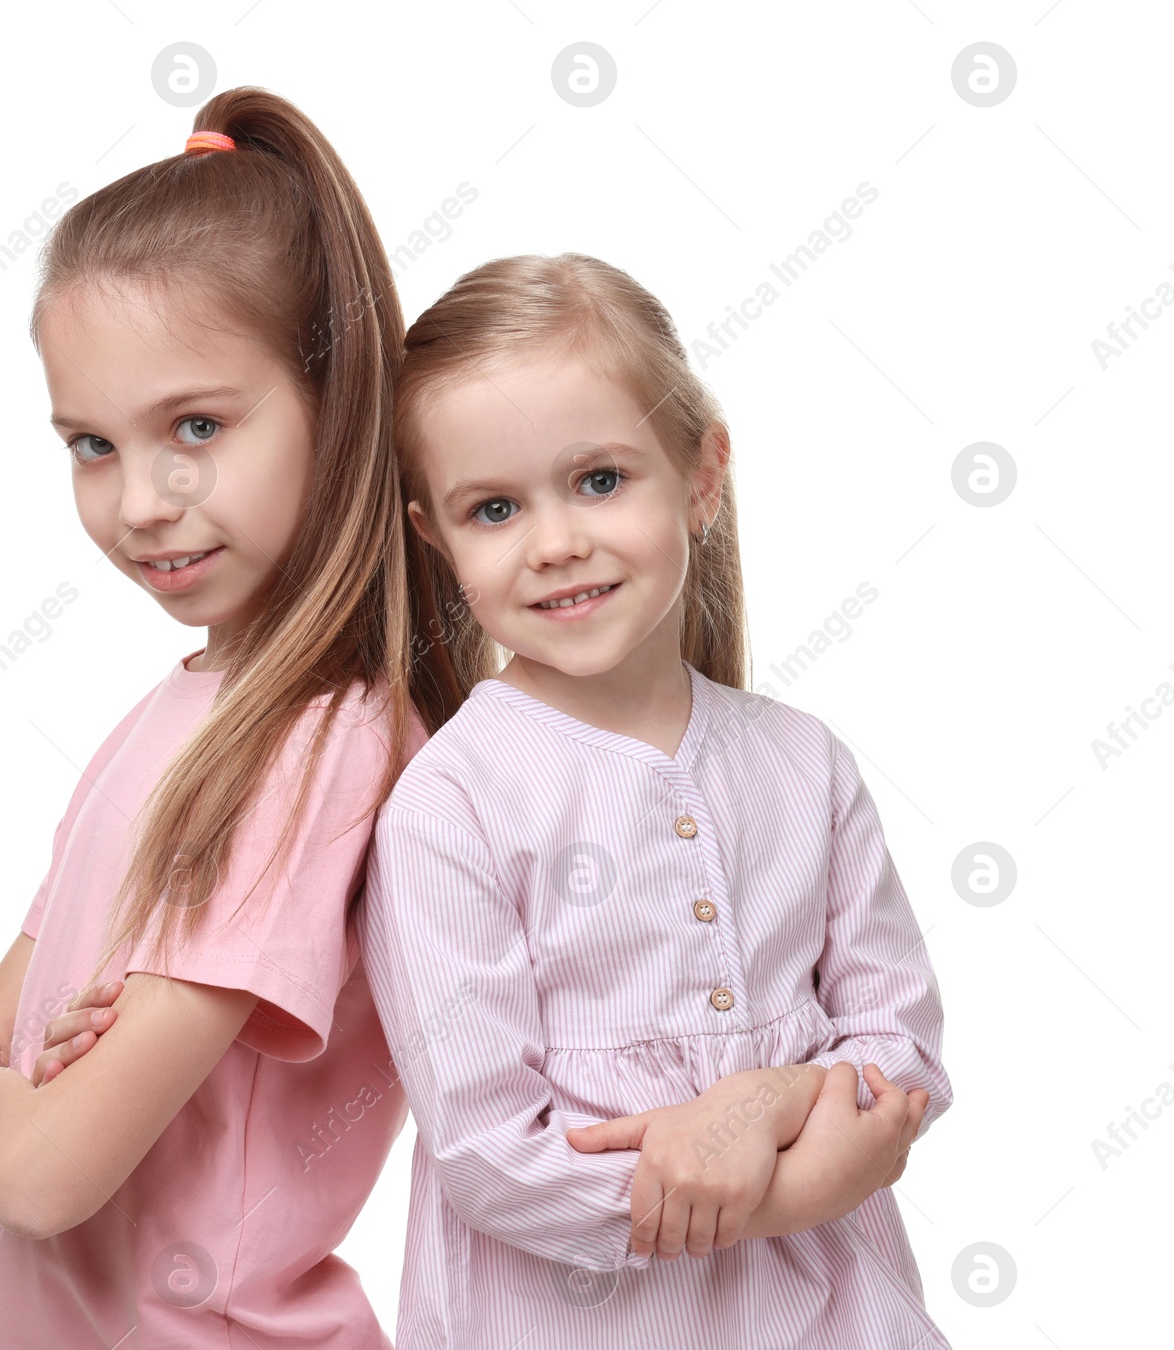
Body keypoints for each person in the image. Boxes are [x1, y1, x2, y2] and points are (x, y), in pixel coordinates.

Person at [0, 88, 456, 1349]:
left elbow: (40, 1165)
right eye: (90, 445)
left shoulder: (310, 742)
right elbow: (5, 1038)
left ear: (339, 407)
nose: (141, 503)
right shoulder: (182, 717)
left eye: (197, 427)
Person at [355, 252, 955, 1348]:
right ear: (436, 538)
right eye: (494, 507)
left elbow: (897, 1037)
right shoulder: (450, 806)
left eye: (598, 479)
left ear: (701, 474)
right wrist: (784, 1194)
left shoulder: (802, 764)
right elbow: (490, 1153)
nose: (555, 542)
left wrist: (769, 1102)